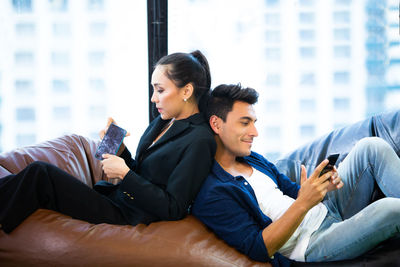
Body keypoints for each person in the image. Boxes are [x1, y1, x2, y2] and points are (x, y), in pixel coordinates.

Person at [0, 50, 216, 234]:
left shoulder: (200, 139)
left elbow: (173, 208)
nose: (153, 98)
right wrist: (119, 149)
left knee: (41, 174)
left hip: (128, 215)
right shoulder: (163, 121)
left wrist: (124, 174)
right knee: (31, 176)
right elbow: (144, 171)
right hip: (116, 199)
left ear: (187, 91)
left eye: (160, 90)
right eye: (153, 90)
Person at [192, 83, 400, 266]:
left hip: (325, 210)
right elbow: (260, 248)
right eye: (245, 123)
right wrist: (304, 203)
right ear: (216, 124)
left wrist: (320, 186)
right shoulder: (212, 193)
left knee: (370, 147)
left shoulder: (253, 159)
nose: (255, 132)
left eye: (254, 122)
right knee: (392, 209)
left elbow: (294, 192)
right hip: (313, 242)